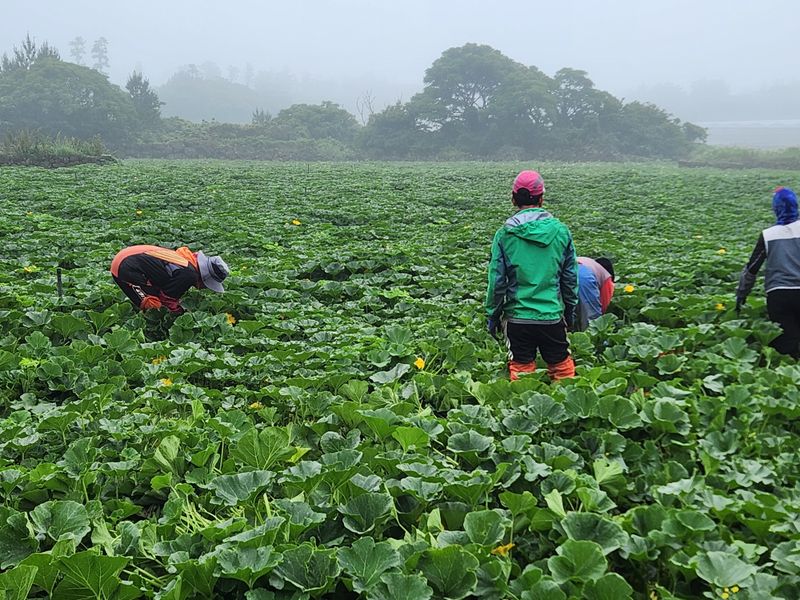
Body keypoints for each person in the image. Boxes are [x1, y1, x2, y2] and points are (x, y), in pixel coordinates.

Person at [485, 170, 579, 381]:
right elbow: (570, 279)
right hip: (552, 315)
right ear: (541, 199)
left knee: (522, 374)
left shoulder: (504, 235)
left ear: (513, 199)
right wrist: (570, 311)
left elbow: (497, 282)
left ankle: (523, 401)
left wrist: (493, 315)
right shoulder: (561, 232)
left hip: (518, 318)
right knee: (562, 370)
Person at [736, 187, 800, 358]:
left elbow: (752, 269)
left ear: (776, 208)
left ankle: (789, 368)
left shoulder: (768, 235)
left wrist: (741, 294)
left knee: (786, 343)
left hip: (779, 295)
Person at [110, 245, 229, 314]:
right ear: (205, 277)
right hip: (125, 267)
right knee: (154, 307)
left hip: (125, 258)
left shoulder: (186, 260)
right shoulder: (189, 274)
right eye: (207, 284)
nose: (204, 288)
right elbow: (167, 299)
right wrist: (180, 313)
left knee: (155, 296)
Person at [576, 256, 615, 331]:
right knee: (593, 319)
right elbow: (603, 303)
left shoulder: (589, 262)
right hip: (582, 276)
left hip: (560, 270)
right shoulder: (607, 276)